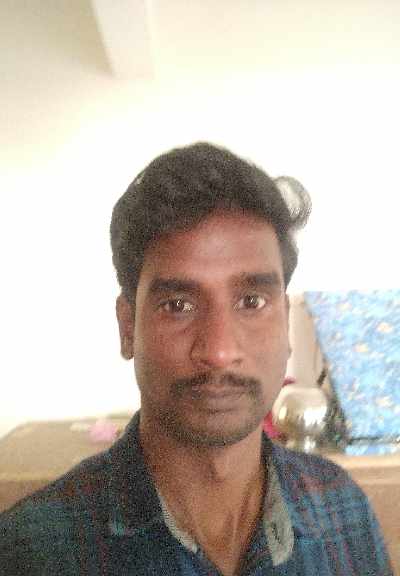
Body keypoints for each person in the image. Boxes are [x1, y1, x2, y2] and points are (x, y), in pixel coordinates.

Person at [0, 143, 393, 575]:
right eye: (178, 306)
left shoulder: (344, 511)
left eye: (251, 301)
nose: (219, 352)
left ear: (284, 320)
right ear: (128, 327)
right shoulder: (32, 551)